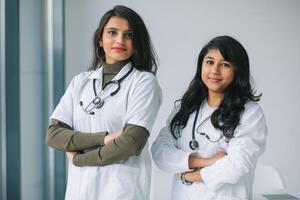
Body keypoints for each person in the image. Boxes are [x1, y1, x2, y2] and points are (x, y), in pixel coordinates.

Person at [46, 5, 161, 200]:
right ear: (100, 39)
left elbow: (131, 143)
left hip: (120, 190)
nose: (119, 40)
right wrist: (104, 138)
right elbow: (54, 135)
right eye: (112, 33)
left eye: (129, 35)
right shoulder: (81, 81)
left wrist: (80, 159)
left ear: (137, 42)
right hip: (79, 190)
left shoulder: (143, 82)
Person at [151, 35, 267, 200]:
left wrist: (187, 176)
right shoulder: (185, 107)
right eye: (210, 62)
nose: (214, 71)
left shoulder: (249, 112)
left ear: (237, 70)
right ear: (201, 66)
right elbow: (159, 152)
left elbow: (237, 165)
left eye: (225, 64)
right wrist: (204, 162)